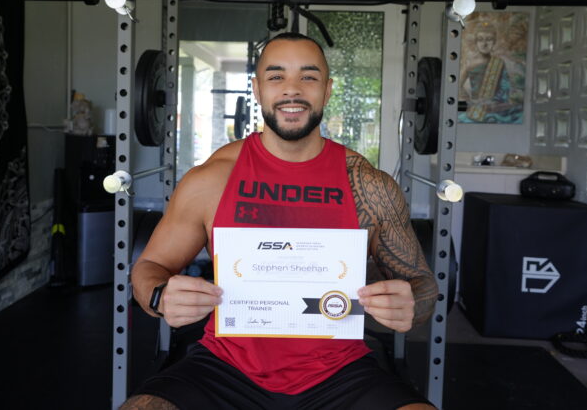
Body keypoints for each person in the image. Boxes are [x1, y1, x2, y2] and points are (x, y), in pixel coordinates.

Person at [122, 33, 439, 410]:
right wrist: (160, 296)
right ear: (256, 89)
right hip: (224, 367)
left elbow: (423, 286)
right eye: (276, 77)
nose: (293, 90)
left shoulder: (370, 186)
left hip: (340, 371)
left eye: (308, 77)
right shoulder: (211, 180)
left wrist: (410, 306)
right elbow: (148, 267)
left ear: (328, 89)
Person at [459, 23, 525, 123]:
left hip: (497, 106)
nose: (484, 44)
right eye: (480, 39)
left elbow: (505, 87)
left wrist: (498, 103)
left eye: (488, 39)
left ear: (494, 42)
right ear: (476, 42)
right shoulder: (471, 64)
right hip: (477, 106)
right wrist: (468, 99)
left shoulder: (499, 63)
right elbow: (457, 85)